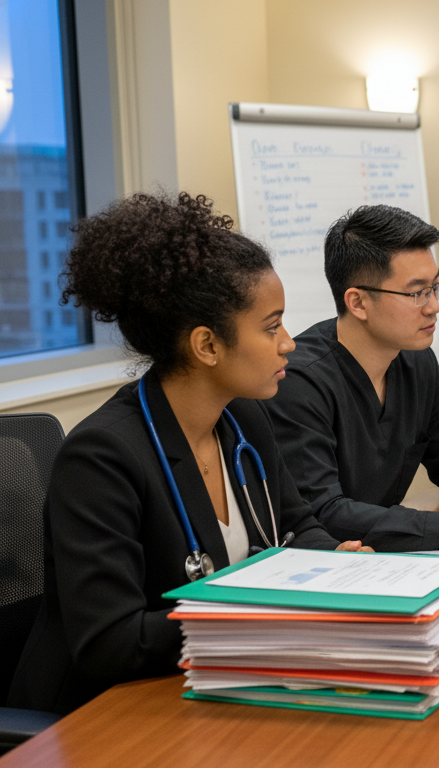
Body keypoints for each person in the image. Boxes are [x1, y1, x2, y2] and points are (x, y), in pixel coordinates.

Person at [7, 192, 370, 715]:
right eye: (271, 327)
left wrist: (335, 562)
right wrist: (265, 612)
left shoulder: (243, 418)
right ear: (207, 346)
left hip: (215, 691)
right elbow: (111, 643)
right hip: (100, 718)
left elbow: (295, 525)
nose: (288, 343)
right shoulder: (101, 457)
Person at [263, 205, 439, 552]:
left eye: (435, 287)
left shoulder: (415, 361)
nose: (434, 306)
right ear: (358, 303)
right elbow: (322, 513)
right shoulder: (299, 382)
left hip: (382, 559)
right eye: (416, 293)